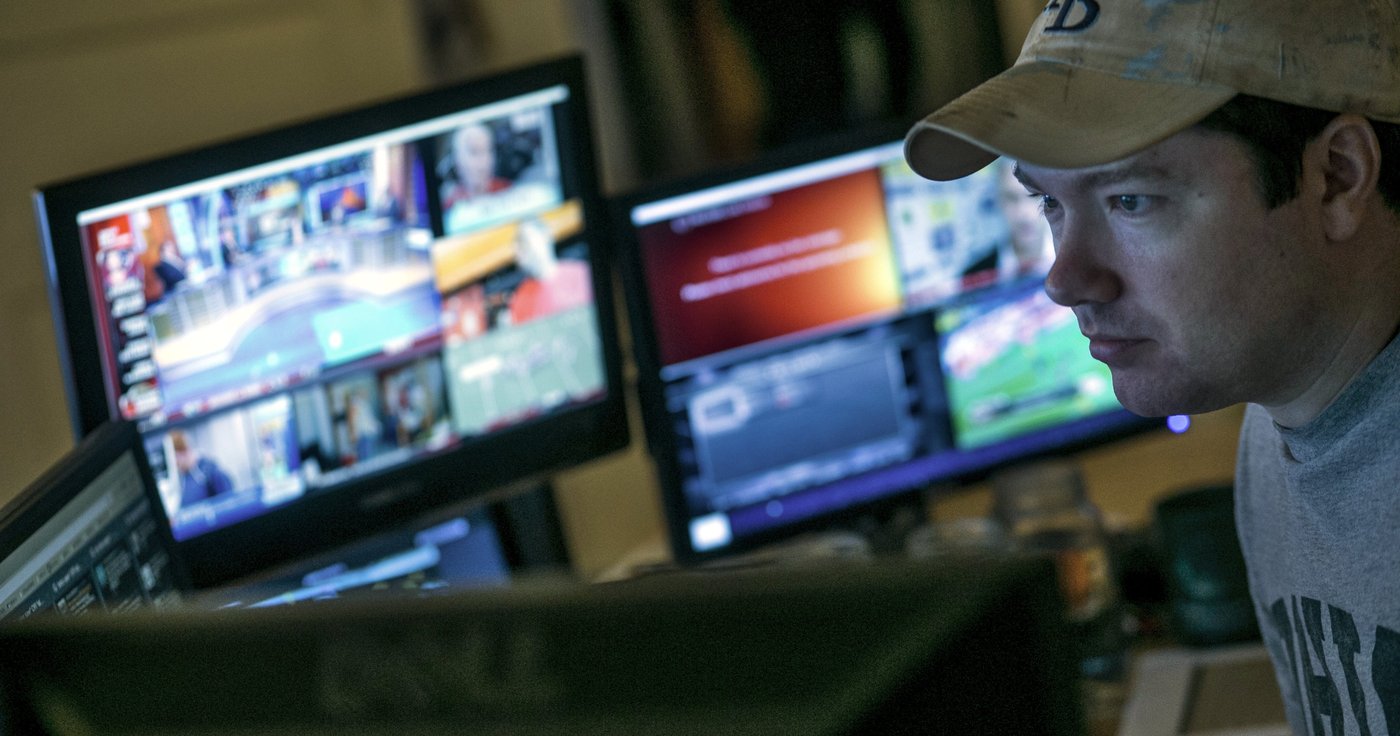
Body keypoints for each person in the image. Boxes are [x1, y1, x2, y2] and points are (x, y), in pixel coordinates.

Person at [903, 2, 1400, 733]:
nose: (1066, 280)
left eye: (1130, 200)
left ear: (1335, 176)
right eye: (1049, 203)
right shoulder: (1286, 417)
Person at [506, 216, 591, 325]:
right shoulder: (520, 300)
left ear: (545, 235)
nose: (519, 251)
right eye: (516, 245)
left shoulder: (582, 274)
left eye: (523, 240)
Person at [169, 429, 233, 508]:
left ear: (184, 451)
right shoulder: (182, 479)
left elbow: (229, 503)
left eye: (176, 460)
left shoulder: (211, 472)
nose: (175, 465)